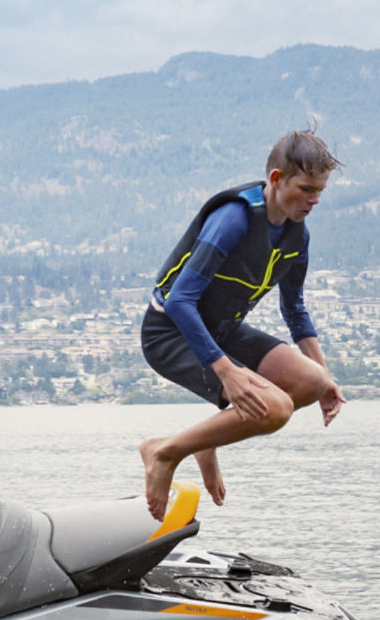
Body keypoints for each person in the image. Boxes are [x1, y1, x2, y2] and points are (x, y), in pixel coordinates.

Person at [138, 128, 346, 520]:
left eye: (320, 190)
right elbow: (180, 300)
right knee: (274, 409)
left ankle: (203, 442)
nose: (314, 199)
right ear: (275, 180)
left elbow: (295, 310)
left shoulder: (296, 238)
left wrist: (326, 374)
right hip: (171, 332)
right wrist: (227, 371)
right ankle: (164, 451)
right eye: (306, 188)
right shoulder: (233, 218)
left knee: (311, 381)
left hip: (222, 329)